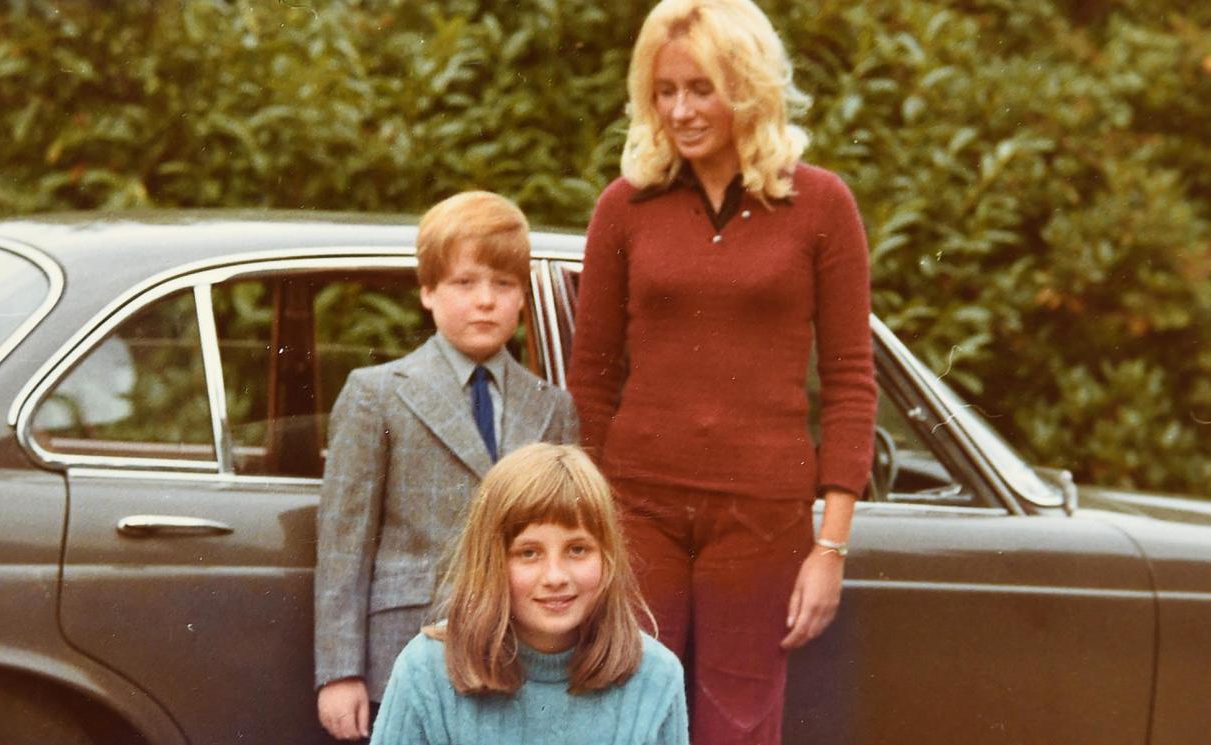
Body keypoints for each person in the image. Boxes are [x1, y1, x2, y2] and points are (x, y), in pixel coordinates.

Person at [566, 1, 877, 743]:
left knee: (738, 726)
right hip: (639, 510)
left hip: (762, 517)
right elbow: (592, 377)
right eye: (664, 91)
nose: (680, 110)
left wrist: (829, 548)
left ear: (748, 86)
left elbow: (850, 378)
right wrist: (597, 524)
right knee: (626, 717)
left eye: (700, 88)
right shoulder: (625, 208)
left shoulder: (822, 205)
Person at [315, 191, 580, 741]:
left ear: (522, 299)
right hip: (406, 649)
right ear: (428, 292)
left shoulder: (553, 407)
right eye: (465, 283)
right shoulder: (377, 394)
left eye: (503, 285)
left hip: (524, 658)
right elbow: (344, 546)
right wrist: (340, 671)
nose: (485, 301)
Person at [370, 443, 689, 745]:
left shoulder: (656, 677)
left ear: (607, 557)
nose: (555, 577)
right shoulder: (426, 669)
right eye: (529, 553)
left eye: (577, 549)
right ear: (492, 561)